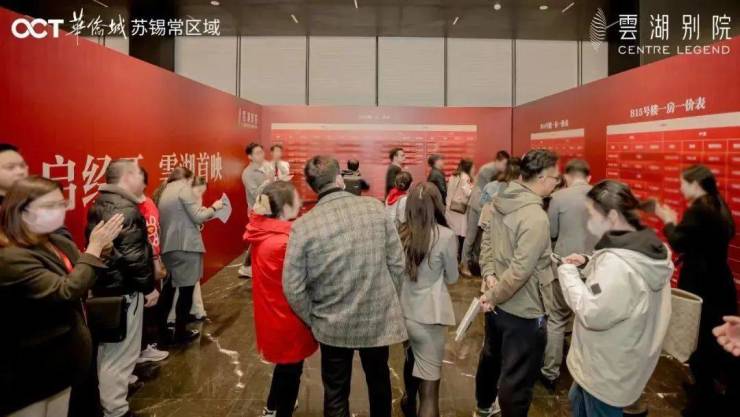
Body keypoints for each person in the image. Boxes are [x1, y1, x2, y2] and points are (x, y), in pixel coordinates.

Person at [283, 155, 407, 417]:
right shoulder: (375, 208)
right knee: (379, 382)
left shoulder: (303, 226)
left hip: (331, 323)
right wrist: (386, 299)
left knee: (336, 392)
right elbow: (397, 264)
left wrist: (313, 318)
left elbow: (292, 287)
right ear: (339, 179)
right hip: (376, 319)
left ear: (313, 187)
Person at [0, 176, 123, 417]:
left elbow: (84, 275)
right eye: (49, 206)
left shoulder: (56, 241)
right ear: (21, 211)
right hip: (31, 367)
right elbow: (65, 291)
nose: (58, 211)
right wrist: (94, 249)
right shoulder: (12, 257)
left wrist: (102, 249)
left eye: (61, 204)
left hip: (64, 361)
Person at [557, 180, 674, 417]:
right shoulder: (644, 247)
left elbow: (592, 312)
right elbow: (615, 286)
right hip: (619, 359)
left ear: (611, 216)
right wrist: (588, 263)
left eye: (591, 214)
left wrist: (567, 274)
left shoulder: (617, 265)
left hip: (605, 369)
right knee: (577, 399)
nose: (588, 222)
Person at [475, 149, 560, 417]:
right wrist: (493, 295)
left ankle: (484, 406)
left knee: (491, 358)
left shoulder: (501, 198)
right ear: (542, 178)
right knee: (518, 379)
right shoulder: (535, 216)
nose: (557, 183)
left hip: (496, 300)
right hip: (523, 310)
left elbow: (487, 243)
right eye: (556, 178)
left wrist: (489, 277)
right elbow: (521, 271)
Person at [655, 164, 738, 416]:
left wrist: (668, 220)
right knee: (715, 341)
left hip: (702, 284)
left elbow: (679, 242)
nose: (680, 188)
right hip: (720, 283)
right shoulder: (718, 204)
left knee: (702, 342)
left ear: (695, 184)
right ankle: (712, 392)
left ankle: (703, 401)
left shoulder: (699, 210)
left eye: (683, 183)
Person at [86, 160, 158, 417]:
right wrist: (148, 288)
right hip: (124, 289)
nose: (143, 180)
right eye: (139, 174)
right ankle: (115, 409)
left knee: (112, 351)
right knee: (120, 353)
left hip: (110, 286)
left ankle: (114, 398)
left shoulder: (104, 201)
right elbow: (133, 257)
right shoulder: (124, 208)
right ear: (128, 176)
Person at [244, 181, 318, 417]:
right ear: (285, 207)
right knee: (291, 372)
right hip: (289, 317)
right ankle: (281, 410)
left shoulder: (263, 232)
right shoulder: (284, 242)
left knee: (285, 367)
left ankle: (271, 407)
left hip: (273, 313)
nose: (300, 201)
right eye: (296, 198)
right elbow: (305, 281)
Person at [398, 182, 459, 417]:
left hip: (404, 313)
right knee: (430, 391)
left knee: (411, 358)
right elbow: (452, 278)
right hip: (429, 318)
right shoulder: (446, 236)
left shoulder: (401, 232)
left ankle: (408, 399)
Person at [540, 159, 595, 390]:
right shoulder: (600, 195)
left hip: (564, 267)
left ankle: (550, 373)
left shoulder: (559, 198)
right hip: (594, 268)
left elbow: (551, 232)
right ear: (589, 177)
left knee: (556, 318)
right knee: (588, 320)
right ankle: (584, 373)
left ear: (566, 177)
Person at [158, 173, 223, 344]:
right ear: (187, 178)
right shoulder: (184, 189)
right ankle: (180, 332)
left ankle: (162, 331)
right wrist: (214, 208)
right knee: (186, 292)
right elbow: (197, 217)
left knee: (169, 290)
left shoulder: (166, 191)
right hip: (185, 247)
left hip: (169, 246)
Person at [136, 167, 170, 364]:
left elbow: (155, 232)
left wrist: (157, 258)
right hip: (143, 262)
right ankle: (142, 348)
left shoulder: (148, 203)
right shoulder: (134, 207)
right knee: (145, 307)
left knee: (150, 306)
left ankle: (146, 345)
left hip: (151, 259)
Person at [461, 160, 500, 276]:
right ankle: (464, 265)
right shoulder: (489, 185)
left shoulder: (489, 184)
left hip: (480, 210)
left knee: (477, 240)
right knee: (471, 238)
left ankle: (472, 264)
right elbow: (483, 201)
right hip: (476, 209)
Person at [239, 142, 272, 278]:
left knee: (263, 239)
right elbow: (255, 194)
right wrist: (268, 181)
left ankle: (254, 265)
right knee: (257, 240)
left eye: (262, 152)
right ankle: (246, 266)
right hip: (257, 211)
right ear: (250, 157)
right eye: (257, 153)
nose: (261, 155)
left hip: (269, 208)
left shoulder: (267, 166)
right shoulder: (247, 173)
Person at [444, 158, 474, 259]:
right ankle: (460, 257)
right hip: (459, 210)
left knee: (453, 234)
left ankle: (452, 256)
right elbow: (468, 193)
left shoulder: (453, 176)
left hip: (450, 208)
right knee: (462, 235)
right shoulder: (464, 177)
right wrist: (473, 187)